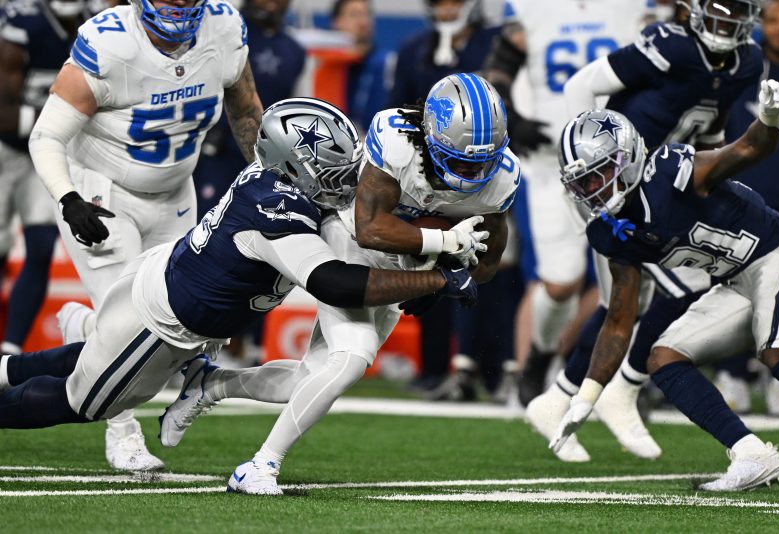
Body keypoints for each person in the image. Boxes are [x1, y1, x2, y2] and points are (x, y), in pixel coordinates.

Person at [0, 98, 478, 481]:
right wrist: (435, 276)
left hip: (175, 301)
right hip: (158, 324)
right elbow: (334, 282)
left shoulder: (290, 183)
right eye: (334, 175)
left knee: (94, 360)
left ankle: (13, 365)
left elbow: (351, 229)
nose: (347, 183)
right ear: (292, 167)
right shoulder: (274, 209)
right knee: (86, 402)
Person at [168, 73, 519, 495]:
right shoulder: (398, 140)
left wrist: (439, 274)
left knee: (311, 378)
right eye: (460, 161)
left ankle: (210, 383)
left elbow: (487, 263)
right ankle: (260, 465)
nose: (474, 172)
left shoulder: (503, 177)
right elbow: (370, 229)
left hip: (405, 262)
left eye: (483, 161)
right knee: (352, 355)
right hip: (349, 237)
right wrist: (440, 249)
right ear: (430, 138)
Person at [27, 0, 263, 470]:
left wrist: (269, 176)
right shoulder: (110, 42)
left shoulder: (223, 28)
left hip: (176, 191)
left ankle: (84, 328)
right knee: (126, 330)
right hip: (101, 191)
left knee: (179, 320)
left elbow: (245, 113)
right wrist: (68, 198)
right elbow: (47, 136)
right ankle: (122, 433)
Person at [527, 0, 764, 462]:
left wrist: (712, 178)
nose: (729, 18)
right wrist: (584, 164)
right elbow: (581, 85)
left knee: (629, 301)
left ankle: (562, 398)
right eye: (721, 7)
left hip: (662, 188)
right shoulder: (671, 45)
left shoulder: (747, 61)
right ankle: (620, 387)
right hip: (612, 186)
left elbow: (709, 125)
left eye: (739, 9)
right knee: (669, 287)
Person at [550, 78, 779, 491]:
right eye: (583, 183)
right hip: (735, 281)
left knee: (776, 350)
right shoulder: (611, 231)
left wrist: (769, 117)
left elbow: (747, 149)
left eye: (599, 175)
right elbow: (619, 320)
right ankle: (752, 454)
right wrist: (586, 397)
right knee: (664, 357)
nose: (593, 190)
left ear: (627, 158)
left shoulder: (670, 173)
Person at [483, 0, 650, 407]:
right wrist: (511, 116)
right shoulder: (531, 8)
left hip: (620, 164)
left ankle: (628, 380)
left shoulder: (632, 7)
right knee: (561, 283)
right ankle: (541, 354)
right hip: (554, 163)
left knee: (635, 278)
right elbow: (498, 70)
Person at [389, 0, 499, 392]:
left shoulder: (494, 44)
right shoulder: (414, 49)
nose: (448, 10)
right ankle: (434, 369)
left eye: (454, 1)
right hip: (427, 180)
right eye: (440, 2)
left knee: (486, 266)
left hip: (482, 172)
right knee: (429, 266)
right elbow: (393, 115)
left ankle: (487, 369)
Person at [720, 0, 779, 416]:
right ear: (760, 22)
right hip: (743, 198)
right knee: (736, 291)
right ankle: (732, 372)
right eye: (773, 20)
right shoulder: (743, 66)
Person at [0, 0, 86, 356]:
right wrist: (57, 121)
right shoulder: (24, 23)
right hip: (5, 151)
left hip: (45, 154)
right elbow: (2, 113)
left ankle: (9, 352)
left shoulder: (98, 27)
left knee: (40, 248)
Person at [194, 0, 305, 217]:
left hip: (266, 158)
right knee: (206, 221)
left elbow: (298, 109)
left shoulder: (295, 50)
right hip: (216, 153)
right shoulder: (224, 32)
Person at [330, 0, 394, 133]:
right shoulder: (323, 66)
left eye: (366, 14)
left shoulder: (389, 64)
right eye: (354, 15)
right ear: (337, 22)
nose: (363, 22)